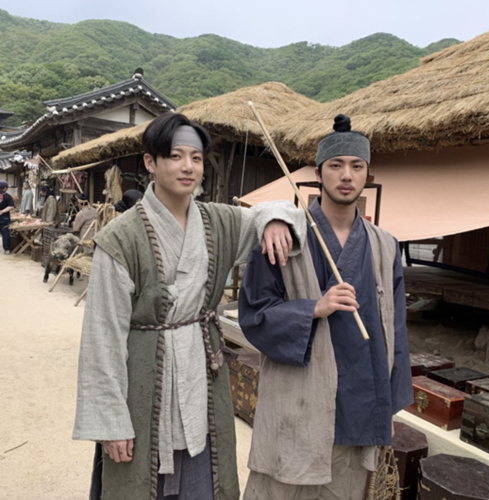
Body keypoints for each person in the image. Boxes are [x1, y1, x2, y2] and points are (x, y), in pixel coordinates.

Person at [73, 112, 306, 500]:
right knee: (137, 482)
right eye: (175, 156)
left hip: (202, 373)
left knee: (207, 470)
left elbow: (273, 210)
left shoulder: (218, 221)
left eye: (196, 158)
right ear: (150, 162)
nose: (188, 167)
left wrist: (274, 222)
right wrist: (111, 422)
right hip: (144, 381)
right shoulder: (121, 238)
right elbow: (102, 338)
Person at [238, 114, 413, 500]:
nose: (346, 175)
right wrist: (312, 309)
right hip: (297, 403)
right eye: (335, 165)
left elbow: (395, 330)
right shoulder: (285, 236)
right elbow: (255, 315)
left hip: (358, 406)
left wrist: (388, 407)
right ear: (318, 173)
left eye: (356, 166)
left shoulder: (384, 245)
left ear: (368, 174)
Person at [0, 181, 15, 255]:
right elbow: (11, 206)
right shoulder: (8, 196)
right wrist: (2, 211)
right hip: (4, 218)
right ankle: (6, 249)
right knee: (5, 233)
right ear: (5, 188)